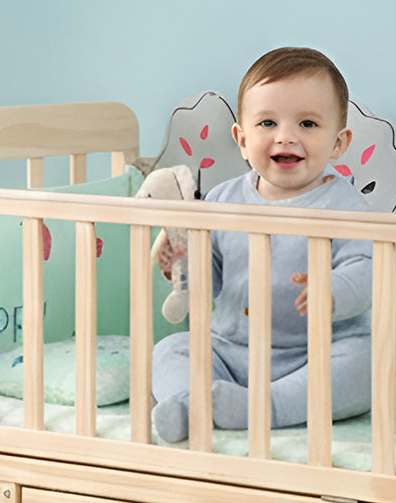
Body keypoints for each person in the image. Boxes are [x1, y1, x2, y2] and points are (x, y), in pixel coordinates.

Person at [150, 47, 373, 443]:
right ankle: (186, 404)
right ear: (241, 138)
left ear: (339, 143)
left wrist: (334, 290)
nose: (285, 136)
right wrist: (182, 264)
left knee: (365, 364)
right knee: (172, 349)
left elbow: (366, 267)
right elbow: (212, 280)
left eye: (307, 123)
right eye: (267, 122)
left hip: (314, 353)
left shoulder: (345, 205)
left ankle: (265, 407)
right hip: (232, 352)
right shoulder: (221, 199)